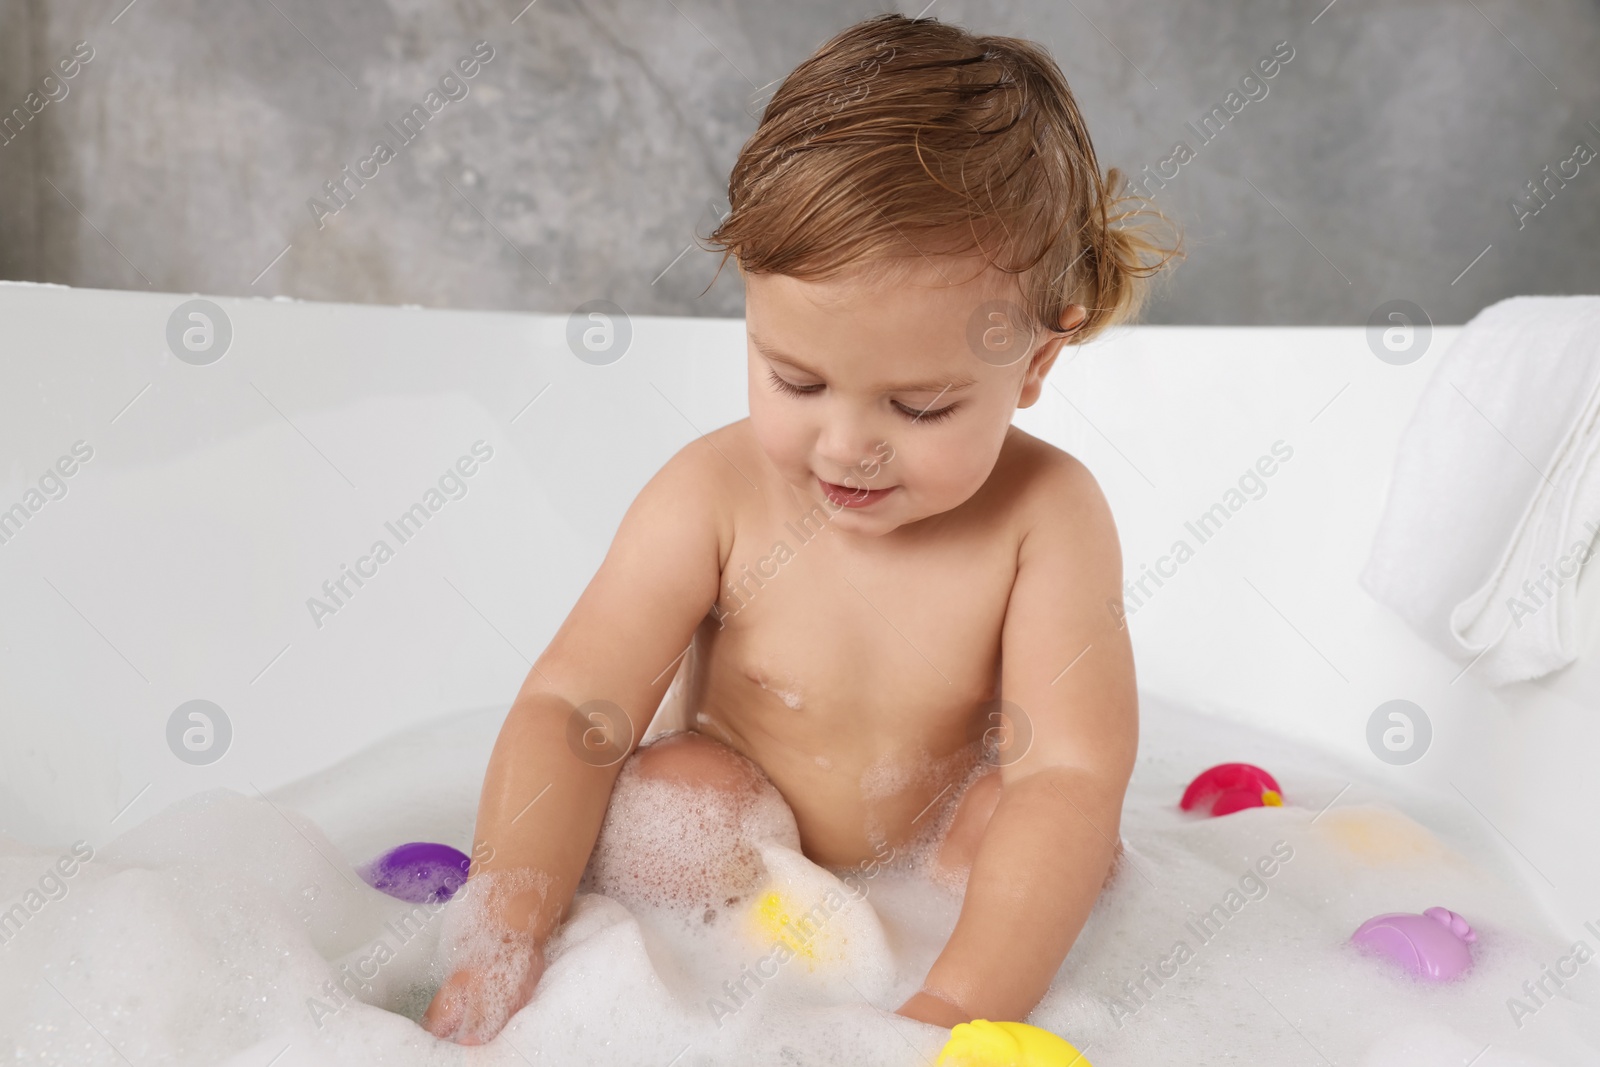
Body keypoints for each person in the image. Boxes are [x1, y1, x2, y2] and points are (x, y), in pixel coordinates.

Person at [422, 10, 1182, 1045]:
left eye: (917, 408)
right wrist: (501, 927)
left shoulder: (1044, 517)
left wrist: (947, 1013)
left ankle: (955, 974)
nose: (843, 446)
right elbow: (573, 703)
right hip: (733, 850)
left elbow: (1072, 772)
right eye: (796, 379)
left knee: (1043, 827)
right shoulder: (713, 493)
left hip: (939, 872)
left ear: (1038, 363)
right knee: (670, 788)